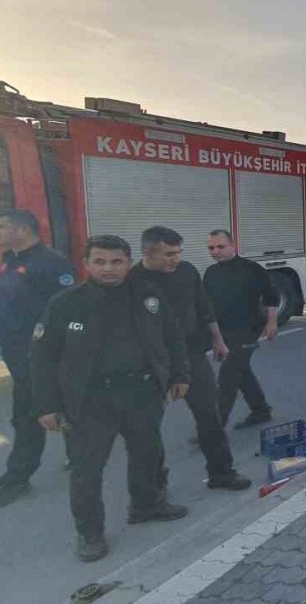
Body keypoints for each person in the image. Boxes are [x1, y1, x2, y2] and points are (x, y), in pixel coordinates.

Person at [31, 235, 191, 562]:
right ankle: (89, 534)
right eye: (100, 261)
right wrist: (46, 406)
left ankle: (146, 505)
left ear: (128, 263)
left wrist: (180, 375)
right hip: (89, 400)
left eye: (116, 261)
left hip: (141, 393)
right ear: (87, 264)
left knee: (147, 452)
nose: (108, 268)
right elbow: (43, 358)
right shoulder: (65, 304)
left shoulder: (148, 295)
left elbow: (172, 336)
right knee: (86, 470)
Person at [132, 227, 250, 492]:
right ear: (147, 253)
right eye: (168, 254)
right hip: (152, 362)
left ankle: (222, 473)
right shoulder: (133, 281)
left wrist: (218, 340)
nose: (175, 259)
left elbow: (203, 306)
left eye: (178, 253)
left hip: (191, 354)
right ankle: (154, 492)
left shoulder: (186, 271)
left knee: (209, 415)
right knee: (147, 427)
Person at [0, 209, 75, 507]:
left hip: (42, 355)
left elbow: (67, 310)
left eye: (2, 226)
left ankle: (17, 478)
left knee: (34, 413)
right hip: (17, 354)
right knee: (31, 413)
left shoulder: (52, 264)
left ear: (21, 229)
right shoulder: (11, 261)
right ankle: (76, 451)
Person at [203, 230, 278, 429]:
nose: (215, 251)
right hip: (224, 331)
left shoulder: (251, 269)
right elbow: (207, 305)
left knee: (228, 377)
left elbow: (271, 296)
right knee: (242, 372)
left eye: (220, 246)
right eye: (211, 248)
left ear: (232, 245)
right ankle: (261, 410)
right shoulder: (211, 273)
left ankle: (214, 427)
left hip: (248, 329)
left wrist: (272, 322)